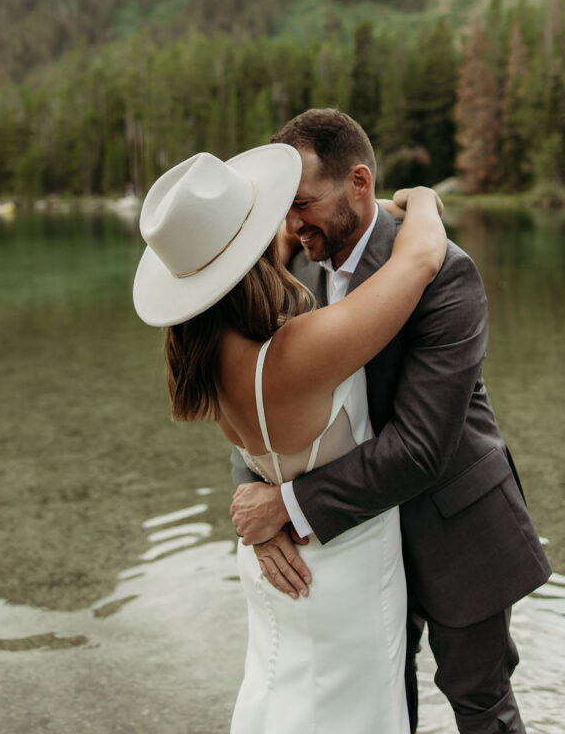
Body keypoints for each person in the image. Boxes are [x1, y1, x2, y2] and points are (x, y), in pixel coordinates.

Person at [230, 109, 552, 734]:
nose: (293, 224)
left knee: (480, 703)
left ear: (359, 183)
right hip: (354, 546)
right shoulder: (290, 271)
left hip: (456, 523)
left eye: (304, 203)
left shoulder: (444, 271)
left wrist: (290, 504)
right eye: (284, 209)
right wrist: (254, 501)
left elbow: (422, 448)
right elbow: (253, 400)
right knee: (381, 704)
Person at [132, 141, 448, 734]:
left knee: (278, 698)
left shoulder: (201, 356)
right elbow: (422, 258)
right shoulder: (297, 354)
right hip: (342, 570)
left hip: (272, 562)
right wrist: (423, 197)